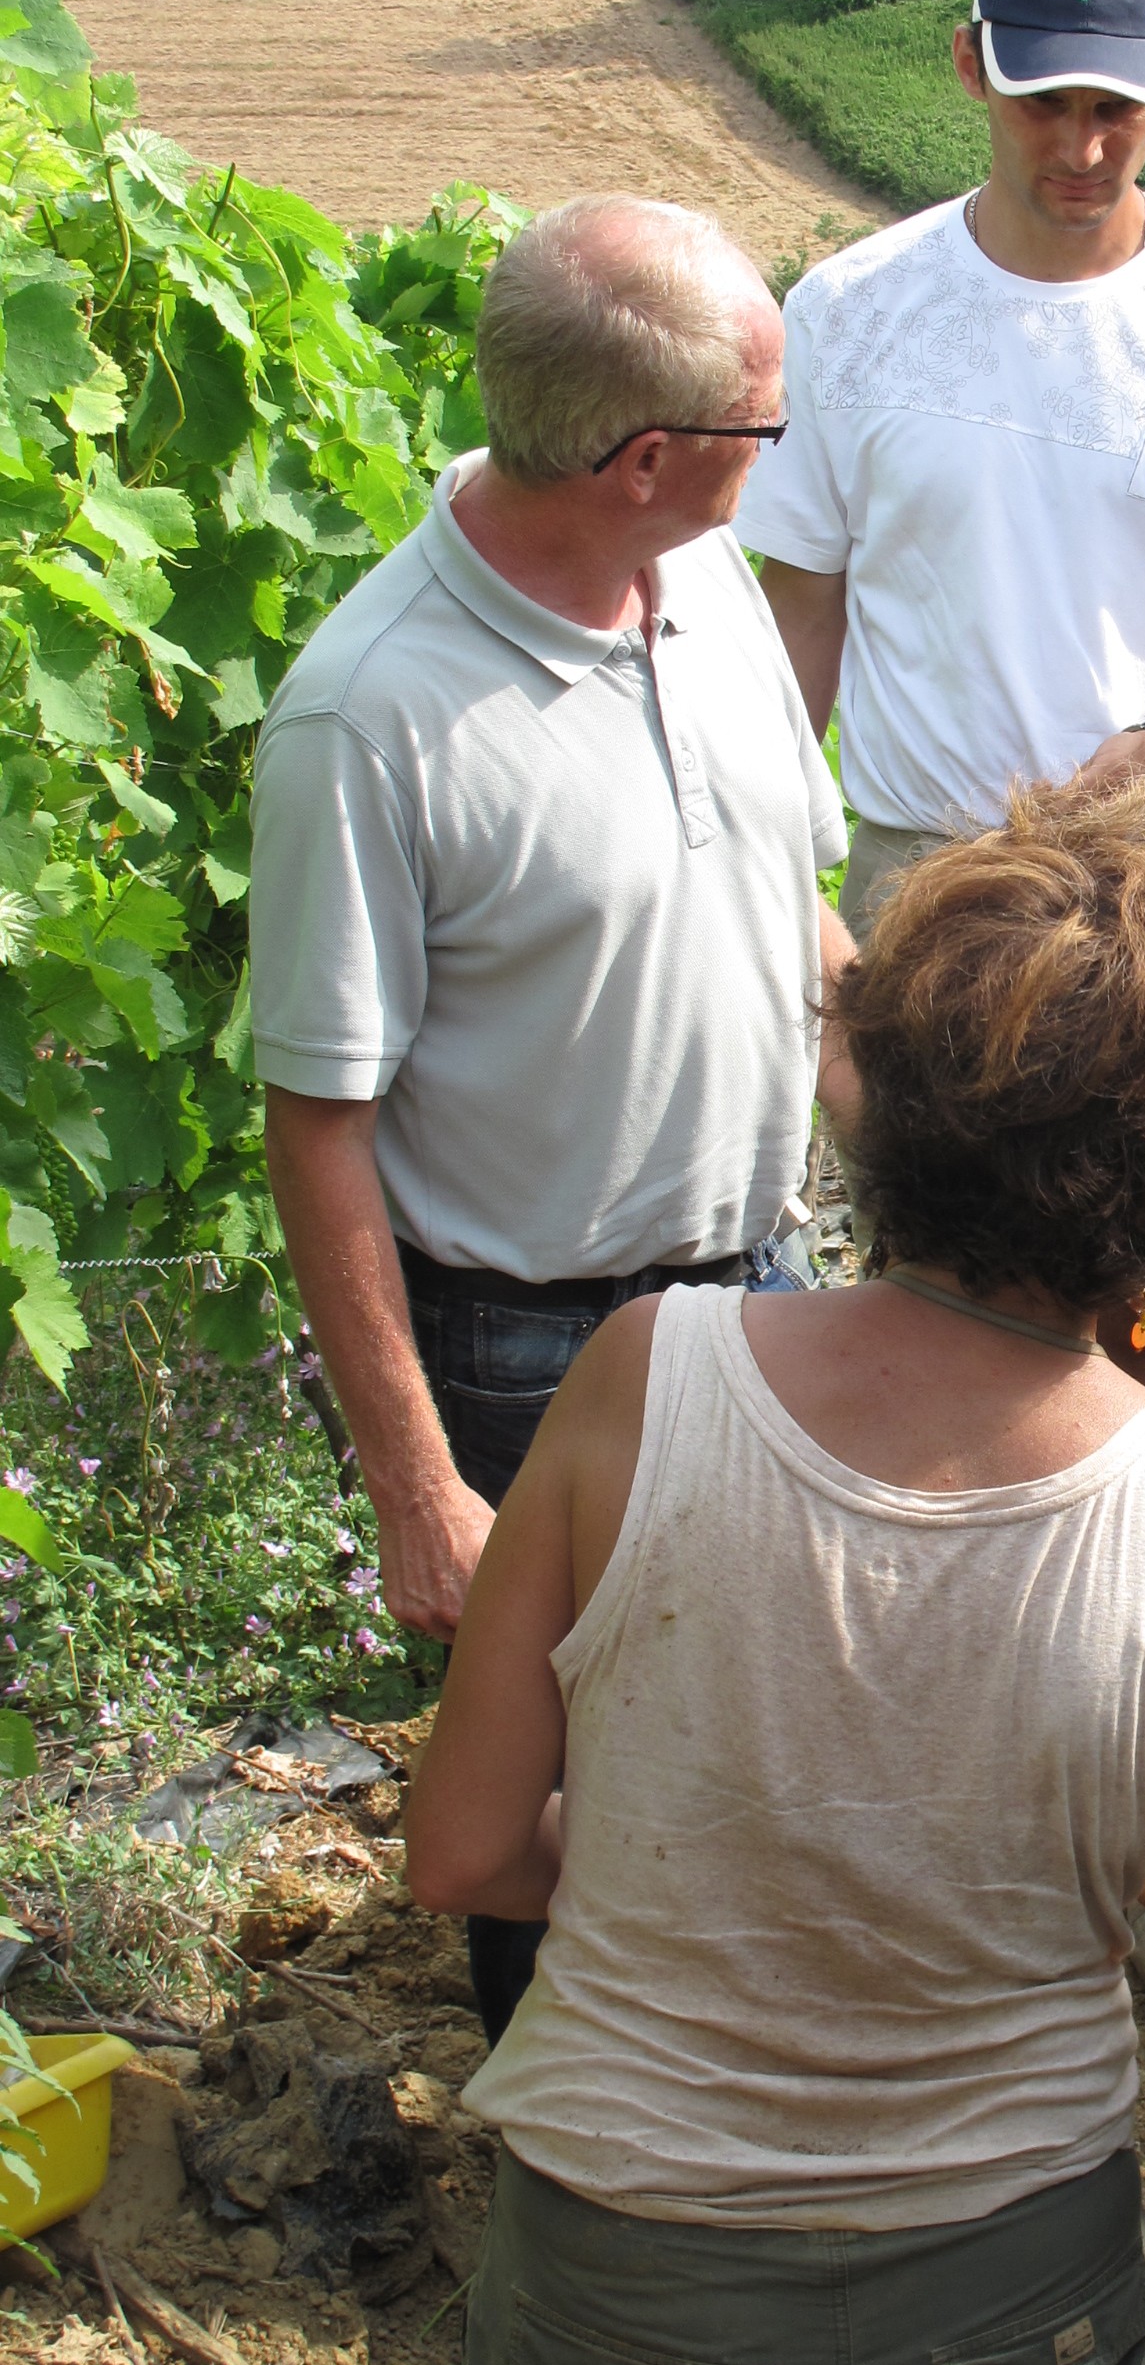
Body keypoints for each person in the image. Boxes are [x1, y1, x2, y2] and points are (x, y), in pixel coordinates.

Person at [404, 789, 1145, 2365]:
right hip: (1008, 2314)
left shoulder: (649, 1376)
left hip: (636, 2284)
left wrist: (685, 1851)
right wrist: (1126, 1884)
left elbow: (466, 1851)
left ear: (876, 1103)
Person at [252, 195, 855, 2043]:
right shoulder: (371, 717)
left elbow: (797, 918)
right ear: (645, 457)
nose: (782, 451)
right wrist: (416, 1483)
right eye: (763, 423)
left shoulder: (710, 583)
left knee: (768, 1748)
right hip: (528, 1351)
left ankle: (747, 2123)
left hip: (760, 1295)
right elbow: (318, 1122)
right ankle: (565, 2155)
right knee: (565, 1814)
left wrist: (953, 1189)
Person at [737, 0, 1145, 1421]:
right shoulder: (853, 312)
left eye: (1116, 109)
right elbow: (799, 615)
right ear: (971, 68)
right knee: (928, 1292)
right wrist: (761, 855)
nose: (1082, 146)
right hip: (927, 880)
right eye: (1045, 105)